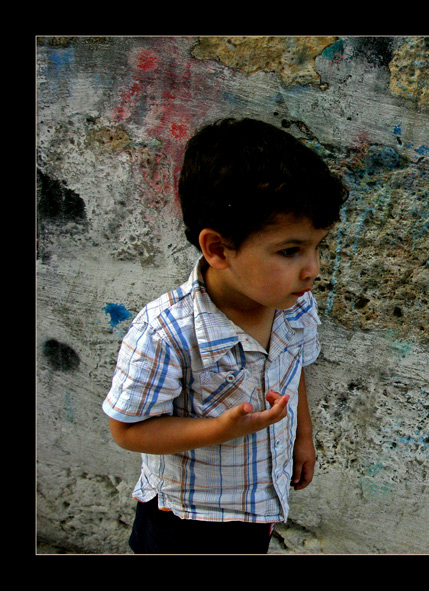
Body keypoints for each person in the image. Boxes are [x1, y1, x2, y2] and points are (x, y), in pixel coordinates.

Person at [102, 118, 348, 554]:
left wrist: (303, 437)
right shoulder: (166, 332)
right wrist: (217, 430)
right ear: (217, 249)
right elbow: (127, 430)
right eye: (290, 251)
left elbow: (292, 374)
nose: (312, 269)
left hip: (257, 506)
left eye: (318, 247)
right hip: (184, 521)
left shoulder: (294, 306)